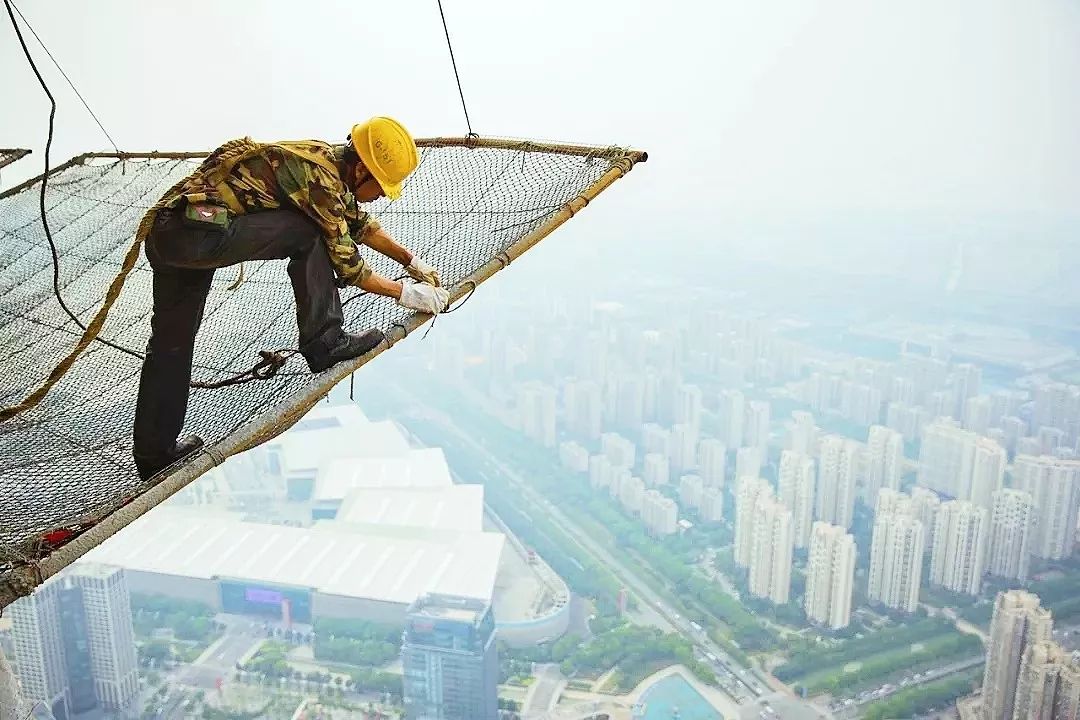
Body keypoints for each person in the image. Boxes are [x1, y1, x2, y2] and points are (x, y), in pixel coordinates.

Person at [132, 117, 447, 480]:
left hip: (175, 233)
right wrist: (407, 293)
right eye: (380, 185)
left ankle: (155, 455)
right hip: (197, 235)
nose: (381, 194)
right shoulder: (318, 179)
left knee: (171, 345)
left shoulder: (325, 162)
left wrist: (411, 261)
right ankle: (326, 341)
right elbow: (349, 266)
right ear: (361, 168)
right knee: (306, 234)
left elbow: (359, 224)